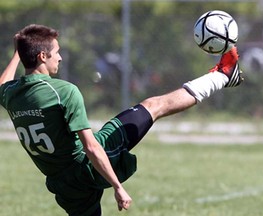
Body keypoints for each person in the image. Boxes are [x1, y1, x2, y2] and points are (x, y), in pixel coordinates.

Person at [0, 24, 243, 216]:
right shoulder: (62, 91)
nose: (60, 58)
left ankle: (224, 75)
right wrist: (117, 186)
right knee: (153, 106)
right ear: (43, 56)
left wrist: (18, 54)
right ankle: (223, 75)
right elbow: (92, 147)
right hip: (86, 167)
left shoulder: (11, 94)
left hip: (61, 183)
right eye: (57, 52)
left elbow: (2, 83)